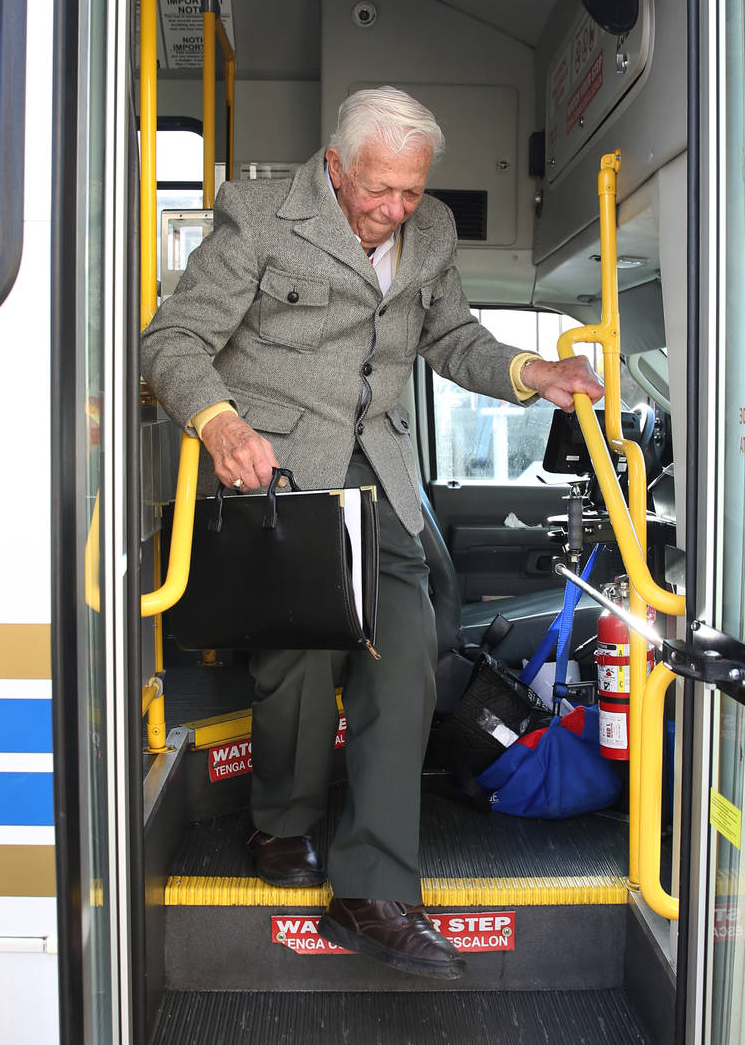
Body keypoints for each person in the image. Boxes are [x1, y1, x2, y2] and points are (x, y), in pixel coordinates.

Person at [141, 86, 604, 980]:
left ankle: (372, 892)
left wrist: (526, 370)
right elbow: (174, 340)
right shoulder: (258, 217)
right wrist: (219, 423)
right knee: (299, 669)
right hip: (278, 479)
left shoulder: (428, 234)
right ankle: (281, 827)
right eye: (380, 189)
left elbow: (454, 338)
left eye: (411, 190)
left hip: (380, 478)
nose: (397, 210)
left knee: (403, 656)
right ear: (335, 166)